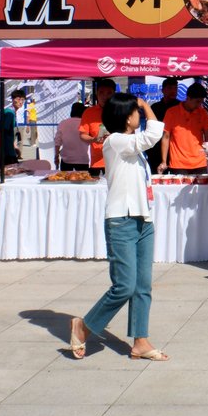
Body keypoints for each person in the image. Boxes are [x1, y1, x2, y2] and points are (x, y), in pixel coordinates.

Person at [70, 94, 168, 361]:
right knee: (124, 286)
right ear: (127, 117)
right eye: (136, 111)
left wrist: (143, 108)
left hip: (142, 219)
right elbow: (152, 136)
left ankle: (141, 340)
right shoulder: (115, 141)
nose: (140, 114)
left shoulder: (129, 146)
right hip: (121, 221)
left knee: (143, 285)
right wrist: (148, 106)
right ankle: (85, 325)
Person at [159, 86, 208, 175]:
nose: (199, 105)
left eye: (201, 102)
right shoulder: (171, 112)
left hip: (199, 163)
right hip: (178, 164)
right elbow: (166, 137)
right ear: (188, 98)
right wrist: (164, 161)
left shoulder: (202, 113)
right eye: (197, 102)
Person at [79, 79, 116, 176]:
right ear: (96, 93)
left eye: (109, 93)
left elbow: (130, 133)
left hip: (118, 161)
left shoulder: (120, 111)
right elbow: (83, 135)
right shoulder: (89, 112)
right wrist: (94, 139)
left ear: (114, 94)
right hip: (97, 163)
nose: (105, 96)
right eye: (101, 93)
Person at [146, 77, 180, 173]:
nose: (173, 91)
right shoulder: (155, 107)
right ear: (163, 90)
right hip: (156, 151)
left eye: (175, 88)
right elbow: (149, 129)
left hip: (176, 151)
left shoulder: (181, 107)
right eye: (170, 88)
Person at [55, 103, 91, 171]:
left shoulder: (63, 123)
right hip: (82, 159)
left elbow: (57, 141)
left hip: (66, 159)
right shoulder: (86, 123)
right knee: (83, 179)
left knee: (66, 180)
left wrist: (56, 156)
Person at [0, 88, 25, 166]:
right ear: (13, 100)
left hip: (9, 149)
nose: (21, 102)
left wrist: (14, 145)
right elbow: (3, 131)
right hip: (6, 151)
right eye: (19, 99)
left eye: (23, 100)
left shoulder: (12, 112)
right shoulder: (9, 113)